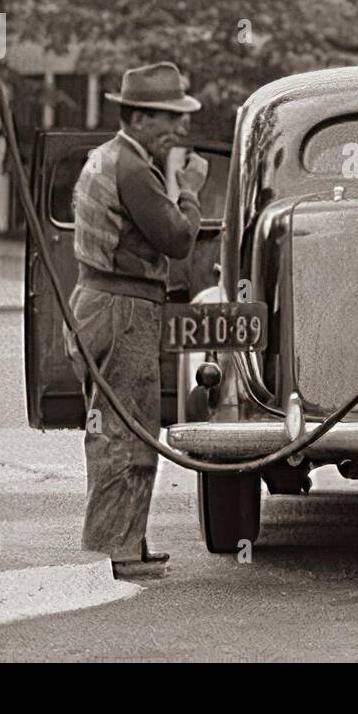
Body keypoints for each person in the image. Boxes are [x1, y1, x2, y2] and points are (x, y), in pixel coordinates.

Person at [64, 62, 208, 580]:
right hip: (124, 310)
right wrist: (189, 188)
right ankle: (120, 552)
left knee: (116, 428)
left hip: (96, 303)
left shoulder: (109, 158)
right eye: (171, 118)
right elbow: (177, 238)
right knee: (129, 432)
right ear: (141, 117)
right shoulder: (135, 169)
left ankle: (126, 541)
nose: (182, 129)